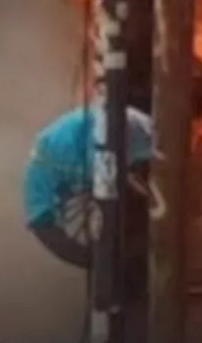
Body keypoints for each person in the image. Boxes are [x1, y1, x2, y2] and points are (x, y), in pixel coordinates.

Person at [23, 105, 162, 270]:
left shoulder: (51, 163)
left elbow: (41, 222)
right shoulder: (46, 168)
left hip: (107, 138)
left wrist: (89, 259)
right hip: (112, 135)